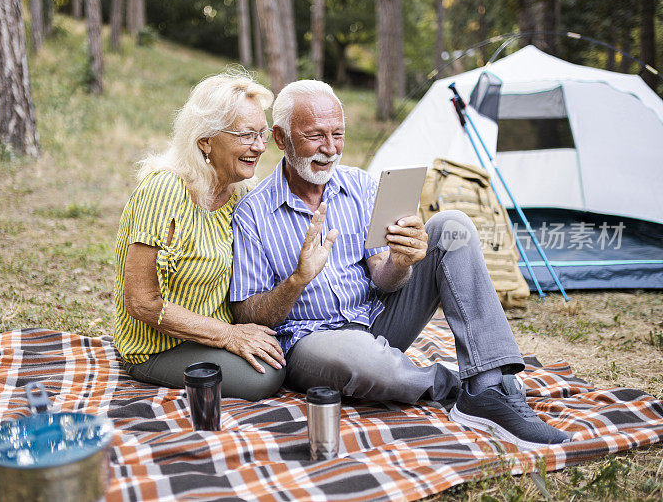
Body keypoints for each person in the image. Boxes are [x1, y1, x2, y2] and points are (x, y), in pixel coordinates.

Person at [229, 79, 569, 448]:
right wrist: (298, 279)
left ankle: (487, 385)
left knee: (451, 226)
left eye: (338, 134)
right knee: (361, 359)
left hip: (377, 321)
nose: (330, 149)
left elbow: (384, 279)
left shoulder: (361, 186)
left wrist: (402, 262)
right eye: (315, 136)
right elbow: (249, 316)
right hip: (312, 342)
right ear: (281, 138)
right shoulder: (252, 213)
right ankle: (454, 384)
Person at [113, 71, 286, 401]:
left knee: (288, 349)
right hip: (159, 346)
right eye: (246, 135)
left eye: (262, 134)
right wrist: (226, 335)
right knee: (264, 377)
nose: (260, 147)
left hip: (212, 334)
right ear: (205, 140)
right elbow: (141, 302)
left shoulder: (240, 191)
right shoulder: (165, 191)